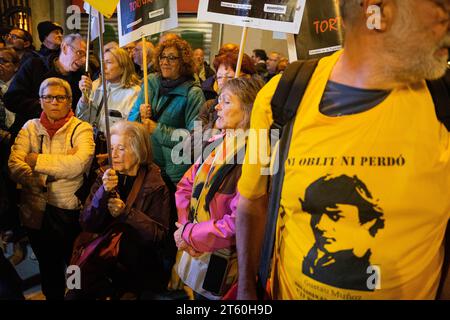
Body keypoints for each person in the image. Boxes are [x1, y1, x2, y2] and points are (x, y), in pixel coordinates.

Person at [236, 0, 450, 300]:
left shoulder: (442, 103)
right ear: (376, 11)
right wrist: (246, 290)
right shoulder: (279, 98)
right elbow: (251, 203)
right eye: (439, 5)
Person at [175, 77, 264, 300]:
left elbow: (239, 223)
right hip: (195, 252)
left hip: (224, 265)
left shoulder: (256, 155)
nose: (216, 106)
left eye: (226, 102)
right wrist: (186, 227)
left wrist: (190, 234)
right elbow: (186, 186)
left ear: (247, 109)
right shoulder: (216, 142)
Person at [8, 77, 95, 300]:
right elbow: (14, 165)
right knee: (48, 265)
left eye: (60, 97)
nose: (54, 102)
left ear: (69, 101)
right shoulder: (30, 127)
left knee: (74, 264)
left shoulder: (82, 129)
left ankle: (75, 295)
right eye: (48, 97)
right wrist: (42, 177)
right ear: (40, 101)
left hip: (69, 211)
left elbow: (78, 165)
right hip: (35, 211)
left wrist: (35, 160)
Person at [66, 121, 171, 300]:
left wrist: (126, 213)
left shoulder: (157, 184)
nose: (113, 155)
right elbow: (86, 223)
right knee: (73, 290)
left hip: (134, 268)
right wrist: (102, 192)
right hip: (99, 259)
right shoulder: (104, 175)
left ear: (138, 151)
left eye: (121, 149)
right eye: (111, 147)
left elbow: (159, 236)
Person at [128, 37, 205, 189]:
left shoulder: (193, 93)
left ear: (183, 62)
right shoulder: (150, 81)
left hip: (174, 173)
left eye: (171, 58)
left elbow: (195, 139)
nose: (165, 62)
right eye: (162, 57)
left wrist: (156, 129)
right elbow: (131, 122)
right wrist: (139, 114)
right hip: (147, 167)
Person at [301, 174, 385, 291]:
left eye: (335, 216)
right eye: (316, 213)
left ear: (368, 222)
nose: (319, 225)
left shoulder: (375, 269)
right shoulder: (316, 258)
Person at [3, 33, 86, 137]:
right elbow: (11, 99)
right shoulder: (34, 66)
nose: (83, 60)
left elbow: (80, 114)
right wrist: (45, 107)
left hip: (63, 138)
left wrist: (85, 97)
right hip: (28, 135)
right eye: (80, 53)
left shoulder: (81, 78)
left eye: (86, 56)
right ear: (64, 47)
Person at [77, 47, 141, 133]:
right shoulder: (95, 85)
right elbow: (82, 120)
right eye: (102, 62)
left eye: (109, 62)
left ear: (123, 67)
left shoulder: (134, 92)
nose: (103, 67)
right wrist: (84, 95)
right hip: (93, 141)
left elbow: (131, 128)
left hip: (117, 143)